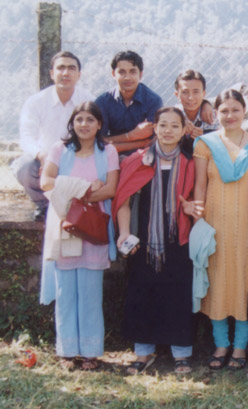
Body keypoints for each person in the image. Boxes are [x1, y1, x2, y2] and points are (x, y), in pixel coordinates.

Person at [113, 107, 199, 375]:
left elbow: (200, 200)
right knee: (141, 292)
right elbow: (124, 201)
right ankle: (143, 351)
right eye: (163, 125)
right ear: (154, 128)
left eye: (175, 125)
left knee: (178, 294)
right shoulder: (137, 160)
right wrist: (124, 233)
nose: (168, 131)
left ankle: (181, 353)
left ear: (184, 130)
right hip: (144, 240)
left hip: (179, 238)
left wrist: (192, 209)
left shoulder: (191, 162)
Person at [39, 101, 120, 371]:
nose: (84, 124)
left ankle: (90, 352)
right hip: (65, 226)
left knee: (89, 292)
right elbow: (46, 182)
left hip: (93, 227)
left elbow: (110, 190)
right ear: (72, 123)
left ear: (99, 124)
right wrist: (85, 190)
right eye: (79, 119)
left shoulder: (108, 151)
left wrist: (72, 194)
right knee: (65, 291)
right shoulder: (60, 149)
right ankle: (67, 351)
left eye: (90, 120)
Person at [192, 90, 248, 370]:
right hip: (215, 226)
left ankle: (240, 347)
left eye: (235, 109)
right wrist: (198, 222)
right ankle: (221, 344)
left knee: (246, 283)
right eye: (224, 110)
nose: (230, 115)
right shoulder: (206, 143)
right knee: (217, 282)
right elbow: (200, 185)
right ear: (216, 113)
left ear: (245, 111)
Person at [14, 51, 95, 221]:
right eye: (61, 68)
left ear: (79, 75)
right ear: (52, 73)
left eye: (71, 68)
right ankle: (43, 205)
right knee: (23, 168)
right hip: (43, 159)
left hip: (76, 158)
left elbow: (95, 134)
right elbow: (27, 136)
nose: (66, 73)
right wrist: (42, 155)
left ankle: (74, 205)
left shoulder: (88, 100)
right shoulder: (36, 101)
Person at [95, 51, 163, 156]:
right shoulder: (103, 102)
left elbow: (152, 142)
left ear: (140, 74)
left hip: (143, 157)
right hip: (110, 156)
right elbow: (99, 142)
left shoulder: (153, 101)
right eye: (122, 72)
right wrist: (131, 136)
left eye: (132, 72)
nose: (127, 77)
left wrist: (116, 143)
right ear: (113, 74)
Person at [174, 70, 218, 137]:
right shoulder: (173, 116)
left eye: (196, 92)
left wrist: (205, 138)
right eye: (185, 92)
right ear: (177, 95)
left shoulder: (213, 117)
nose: (190, 98)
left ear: (203, 94)